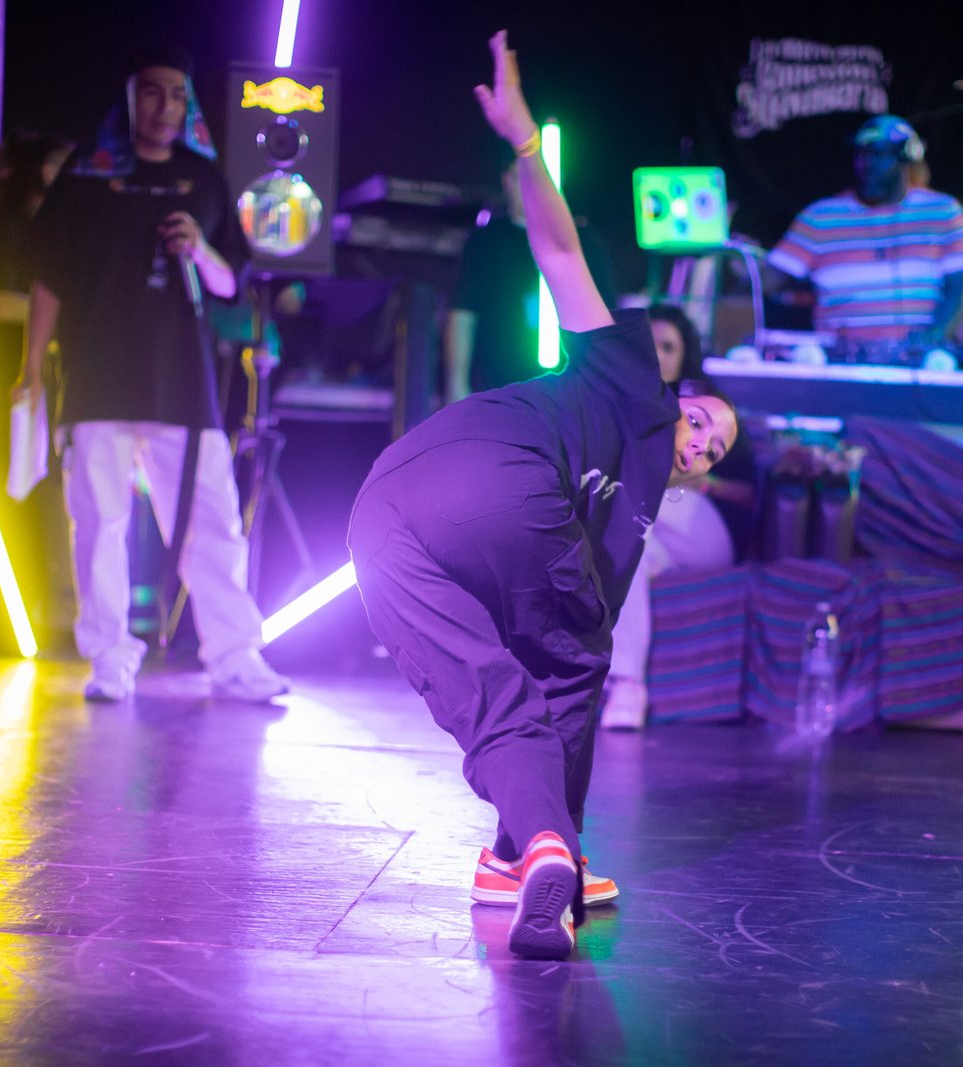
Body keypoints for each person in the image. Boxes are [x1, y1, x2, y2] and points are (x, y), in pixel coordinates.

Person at [348, 32, 739, 960]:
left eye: (713, 446)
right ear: (677, 399)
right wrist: (527, 143)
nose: (696, 436)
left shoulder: (630, 518)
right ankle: (552, 841)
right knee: (574, 660)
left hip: (381, 521)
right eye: (698, 416)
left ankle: (525, 851)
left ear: (701, 475)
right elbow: (560, 252)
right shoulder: (632, 379)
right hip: (486, 463)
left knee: (498, 693)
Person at [13, 47, 288, 704]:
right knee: (98, 525)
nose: (165, 107)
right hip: (99, 376)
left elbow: (230, 282)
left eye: (176, 94)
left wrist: (200, 246)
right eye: (151, 92)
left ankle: (234, 656)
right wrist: (30, 368)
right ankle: (109, 657)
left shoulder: (205, 179)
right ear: (129, 97)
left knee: (212, 523)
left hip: (183, 382)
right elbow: (48, 278)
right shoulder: (88, 173)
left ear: (188, 104)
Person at [600, 304, 754, 730]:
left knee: (623, 494)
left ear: (685, 356)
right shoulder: (622, 400)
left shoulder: (707, 408)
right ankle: (627, 686)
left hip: (709, 529)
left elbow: (750, 492)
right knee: (629, 547)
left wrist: (703, 481)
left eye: (668, 347)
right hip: (657, 530)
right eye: (650, 343)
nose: (657, 354)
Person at [767, 114, 963, 356]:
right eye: (862, 154)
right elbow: (768, 279)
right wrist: (742, 265)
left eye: (879, 155)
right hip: (839, 361)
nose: (867, 164)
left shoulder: (943, 211)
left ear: (906, 159)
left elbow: (960, 295)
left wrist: (933, 337)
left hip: (915, 361)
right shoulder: (819, 217)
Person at [444, 157, 615, 402]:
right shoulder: (486, 242)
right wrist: (456, 385)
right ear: (507, 181)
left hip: (570, 391)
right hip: (500, 385)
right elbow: (462, 313)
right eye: (524, 177)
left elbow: (607, 315)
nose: (534, 187)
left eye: (543, 177)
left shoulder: (582, 241)